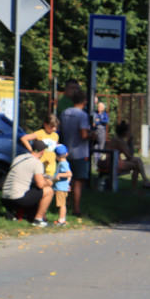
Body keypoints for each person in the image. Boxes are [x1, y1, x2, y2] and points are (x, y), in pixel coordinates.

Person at [1, 140, 53, 226]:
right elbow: (40, 184)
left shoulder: (19, 158)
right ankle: (38, 220)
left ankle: (17, 214)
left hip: (5, 198)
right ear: (42, 151)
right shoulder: (37, 163)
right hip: (17, 199)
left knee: (30, 188)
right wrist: (49, 182)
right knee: (48, 190)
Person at [59, 88, 91, 217]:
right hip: (79, 152)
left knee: (65, 179)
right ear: (84, 101)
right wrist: (92, 135)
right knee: (78, 181)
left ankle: (63, 205)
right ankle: (76, 209)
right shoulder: (82, 115)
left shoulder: (64, 113)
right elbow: (83, 134)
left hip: (66, 150)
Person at [99, 121, 150, 190]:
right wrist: (130, 144)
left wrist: (130, 142)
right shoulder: (118, 141)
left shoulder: (120, 139)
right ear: (124, 132)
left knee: (137, 163)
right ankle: (144, 182)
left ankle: (140, 185)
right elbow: (129, 156)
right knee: (137, 163)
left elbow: (130, 154)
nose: (128, 133)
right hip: (111, 163)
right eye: (127, 131)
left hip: (115, 161)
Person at [51, 144, 72, 226]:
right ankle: (61, 219)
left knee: (62, 204)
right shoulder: (65, 162)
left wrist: (59, 175)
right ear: (67, 154)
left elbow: (69, 174)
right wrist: (68, 183)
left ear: (56, 156)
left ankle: (61, 220)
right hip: (62, 186)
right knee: (62, 204)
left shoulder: (63, 163)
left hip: (61, 187)